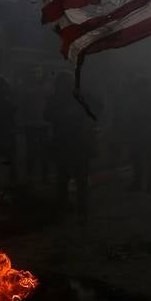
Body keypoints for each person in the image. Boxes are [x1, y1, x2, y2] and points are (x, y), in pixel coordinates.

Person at [46, 73, 100, 222]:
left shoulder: (79, 97)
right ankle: (71, 208)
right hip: (67, 143)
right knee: (68, 178)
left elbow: (98, 107)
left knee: (75, 178)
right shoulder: (59, 99)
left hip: (77, 143)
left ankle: (78, 209)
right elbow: (47, 115)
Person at [125, 76, 151, 192]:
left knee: (140, 158)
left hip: (143, 131)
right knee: (147, 158)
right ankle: (148, 184)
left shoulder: (142, 98)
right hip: (147, 131)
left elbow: (137, 114)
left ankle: (141, 183)